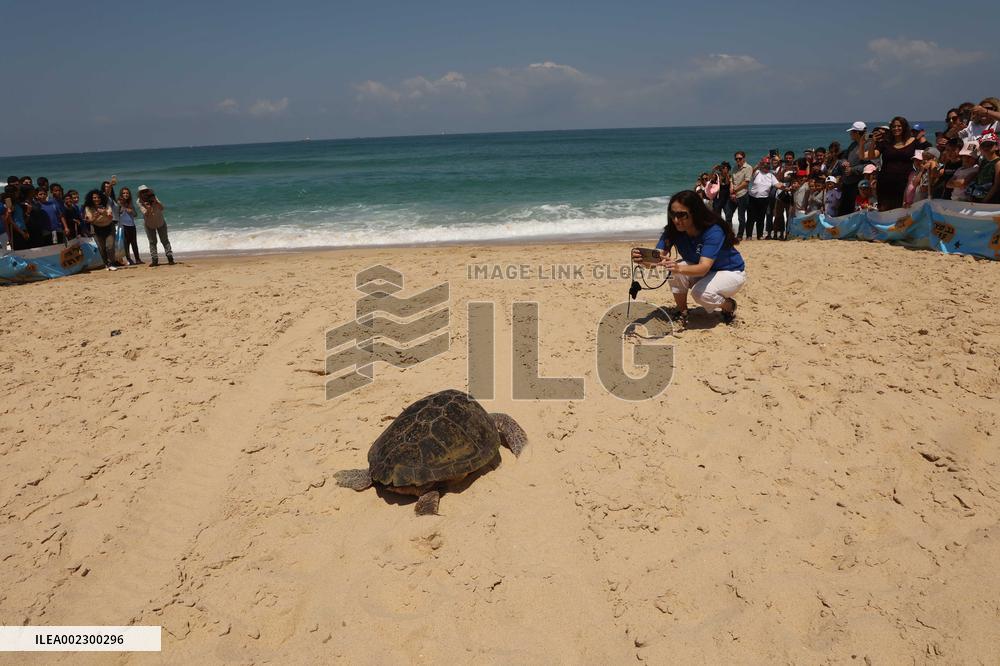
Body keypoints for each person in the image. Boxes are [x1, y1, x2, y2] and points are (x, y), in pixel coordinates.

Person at [631, 189, 745, 326]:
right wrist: (643, 260)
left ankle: (729, 306)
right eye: (672, 214)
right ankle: (683, 312)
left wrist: (678, 268)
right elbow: (657, 258)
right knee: (675, 270)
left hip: (730, 272)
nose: (676, 220)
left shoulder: (713, 231)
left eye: (681, 215)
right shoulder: (673, 231)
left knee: (700, 294)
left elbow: (703, 268)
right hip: (703, 270)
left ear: (695, 213)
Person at [861, 116, 917, 211]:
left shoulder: (913, 142)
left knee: (901, 212)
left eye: (899, 126)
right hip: (885, 183)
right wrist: (872, 142)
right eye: (894, 126)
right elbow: (872, 156)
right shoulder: (885, 142)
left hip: (904, 183)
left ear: (904, 127)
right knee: (884, 211)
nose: (896, 128)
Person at [748, 157, 784, 240]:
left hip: (764, 199)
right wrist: (760, 163)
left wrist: (785, 187)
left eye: (768, 164)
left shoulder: (771, 175)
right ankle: (749, 235)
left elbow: (777, 185)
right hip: (753, 198)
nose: (766, 166)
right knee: (751, 218)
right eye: (764, 164)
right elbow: (752, 172)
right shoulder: (757, 172)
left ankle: (759, 235)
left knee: (761, 218)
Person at [138, 185, 174, 266]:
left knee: (165, 240)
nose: (145, 193)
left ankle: (170, 258)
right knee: (152, 242)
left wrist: (156, 202)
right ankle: (154, 260)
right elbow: (146, 214)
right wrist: (148, 207)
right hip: (149, 223)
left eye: (146, 191)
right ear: (140, 193)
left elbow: (162, 208)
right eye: (143, 192)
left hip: (160, 221)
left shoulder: (153, 197)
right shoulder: (139, 201)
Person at [83, 189, 117, 270]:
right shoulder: (88, 207)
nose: (96, 199)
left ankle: (111, 263)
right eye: (94, 198)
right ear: (91, 199)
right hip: (96, 228)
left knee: (110, 246)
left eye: (98, 197)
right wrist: (96, 215)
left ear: (101, 198)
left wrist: (104, 212)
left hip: (109, 226)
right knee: (101, 248)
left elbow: (111, 217)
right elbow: (90, 221)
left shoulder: (106, 205)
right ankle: (106, 264)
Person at [966, 131, 999, 204]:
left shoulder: (998, 162)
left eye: (989, 145)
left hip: (990, 200)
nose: (986, 147)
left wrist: (984, 200)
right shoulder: (984, 161)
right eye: (983, 145)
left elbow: (996, 185)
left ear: (996, 147)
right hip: (978, 196)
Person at [118, 187, 143, 264]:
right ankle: (129, 259)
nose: (126, 194)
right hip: (123, 225)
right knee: (126, 243)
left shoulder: (130, 203)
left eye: (127, 193)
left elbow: (135, 214)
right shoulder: (119, 203)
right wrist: (123, 208)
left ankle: (138, 259)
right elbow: (117, 213)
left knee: (134, 243)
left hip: (132, 225)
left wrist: (131, 211)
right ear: (121, 194)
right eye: (124, 193)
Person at [730, 151, 753, 237]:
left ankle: (740, 235)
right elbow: (732, 180)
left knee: (741, 217)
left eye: (740, 158)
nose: (738, 160)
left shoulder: (748, 168)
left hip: (743, 194)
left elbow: (746, 183)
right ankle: (729, 234)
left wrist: (734, 190)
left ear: (744, 158)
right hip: (733, 194)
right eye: (736, 159)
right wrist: (731, 191)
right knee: (728, 215)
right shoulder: (734, 168)